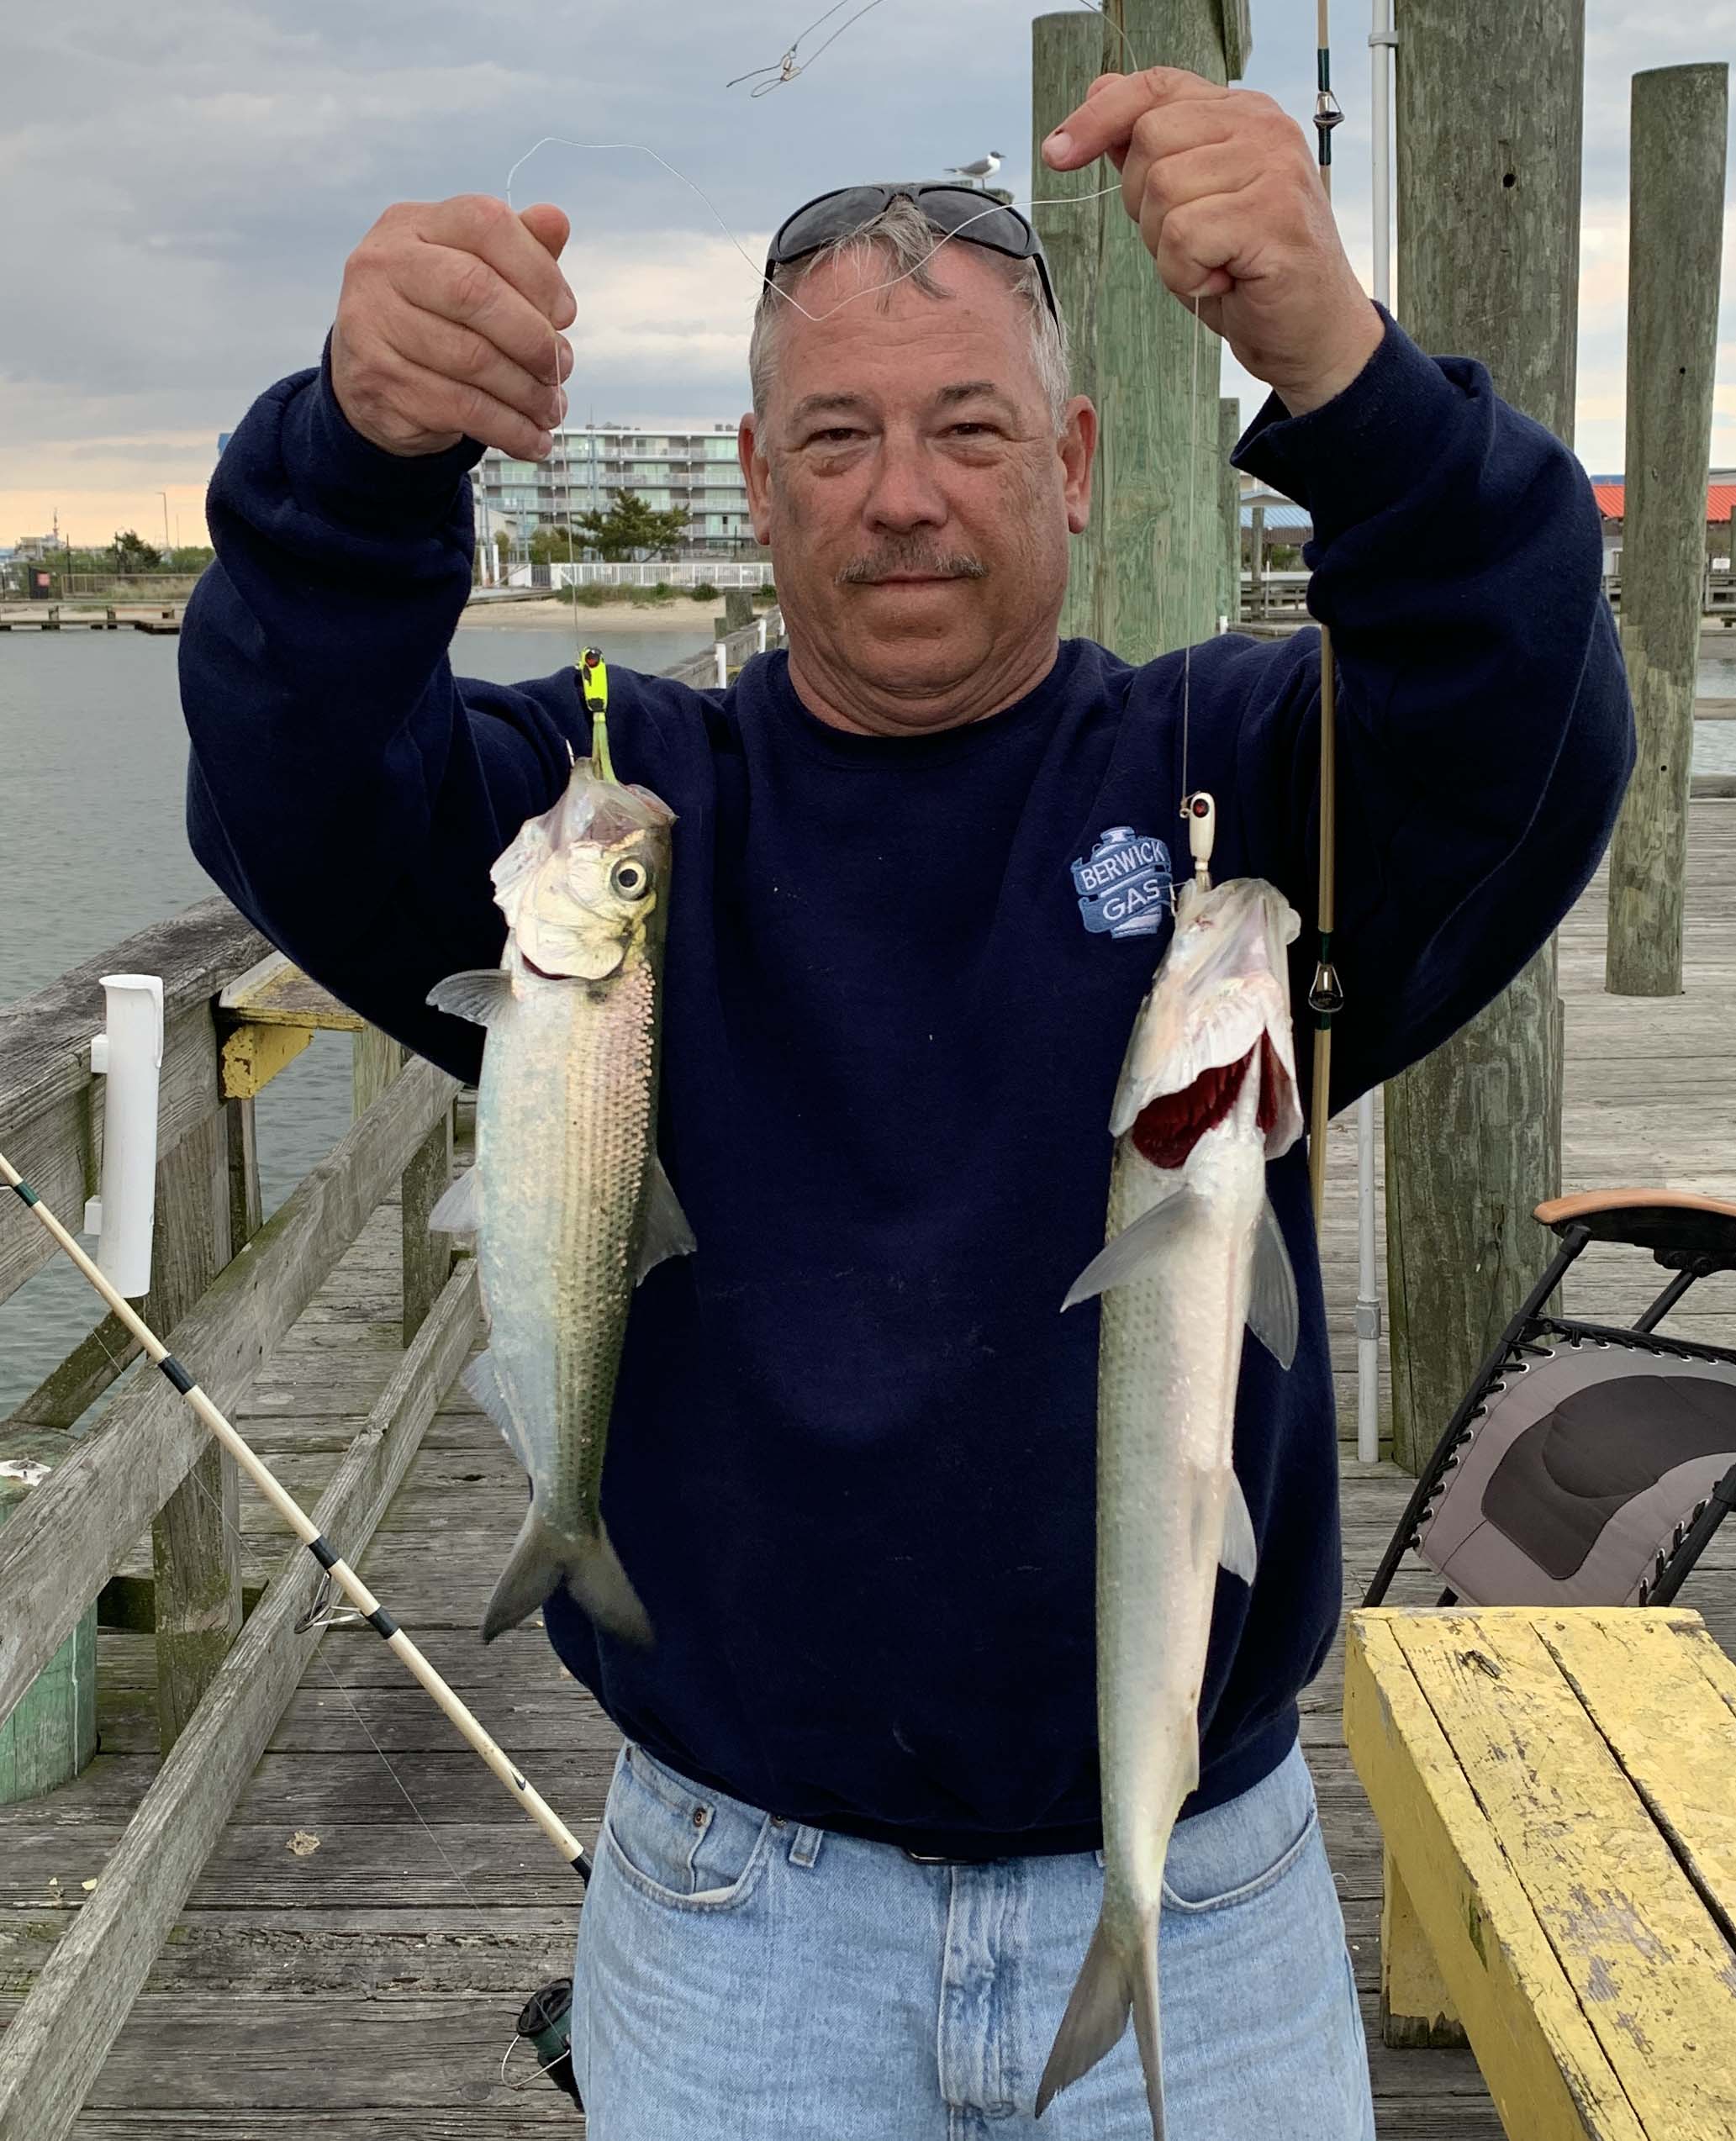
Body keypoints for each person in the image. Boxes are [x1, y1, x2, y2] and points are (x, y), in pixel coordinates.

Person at [181, 64, 1633, 2141]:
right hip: (734, 1906)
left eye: (966, 429)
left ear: (1073, 459)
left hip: (1194, 1879)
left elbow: (1528, 714)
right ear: (758, 480)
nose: (901, 496)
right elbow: (295, 786)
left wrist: (1344, 368)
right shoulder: (615, 825)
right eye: (837, 437)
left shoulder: (1233, 791)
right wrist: (354, 455)